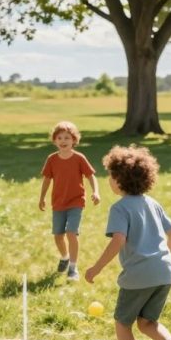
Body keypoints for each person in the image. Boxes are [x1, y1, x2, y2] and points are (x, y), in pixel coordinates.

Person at [85, 145, 171, 340]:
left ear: (119, 180)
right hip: (164, 272)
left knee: (123, 323)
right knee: (147, 322)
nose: (109, 180)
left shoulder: (120, 208)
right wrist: (159, 258)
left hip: (139, 276)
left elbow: (118, 240)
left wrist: (95, 268)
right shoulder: (152, 203)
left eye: (110, 175)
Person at [39, 120, 100, 281]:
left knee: (71, 233)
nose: (63, 141)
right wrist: (42, 197)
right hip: (58, 203)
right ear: (54, 140)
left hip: (76, 201)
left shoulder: (79, 158)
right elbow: (46, 179)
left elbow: (90, 176)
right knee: (58, 236)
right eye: (59, 138)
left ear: (74, 140)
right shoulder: (52, 159)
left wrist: (96, 192)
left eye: (67, 138)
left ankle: (73, 268)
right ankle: (65, 257)